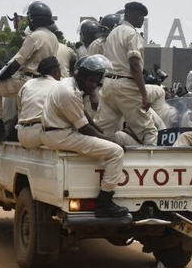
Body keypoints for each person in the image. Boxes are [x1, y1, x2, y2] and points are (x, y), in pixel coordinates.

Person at [42, 55, 129, 218]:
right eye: (91, 81)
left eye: (96, 82)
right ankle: (104, 203)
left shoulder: (69, 85)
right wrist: (110, 141)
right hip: (60, 134)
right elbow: (84, 129)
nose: (94, 86)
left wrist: (103, 137)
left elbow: (84, 118)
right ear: (80, 75)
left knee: (110, 145)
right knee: (116, 152)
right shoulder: (70, 93)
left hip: (57, 132)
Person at [0, 1, 59, 152]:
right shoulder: (53, 37)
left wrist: (1, 76)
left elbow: (17, 62)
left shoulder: (34, 37)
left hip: (28, 79)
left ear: (33, 19)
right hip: (46, 80)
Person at [96, 2, 156, 145]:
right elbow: (134, 65)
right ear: (131, 14)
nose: (142, 19)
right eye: (140, 15)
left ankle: (92, 165)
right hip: (126, 85)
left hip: (108, 84)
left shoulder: (112, 34)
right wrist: (144, 94)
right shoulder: (132, 34)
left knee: (103, 131)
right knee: (148, 130)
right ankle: (151, 164)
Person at [16, 57, 61, 150]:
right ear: (56, 70)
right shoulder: (59, 85)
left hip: (21, 135)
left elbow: (19, 108)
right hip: (39, 134)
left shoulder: (28, 84)